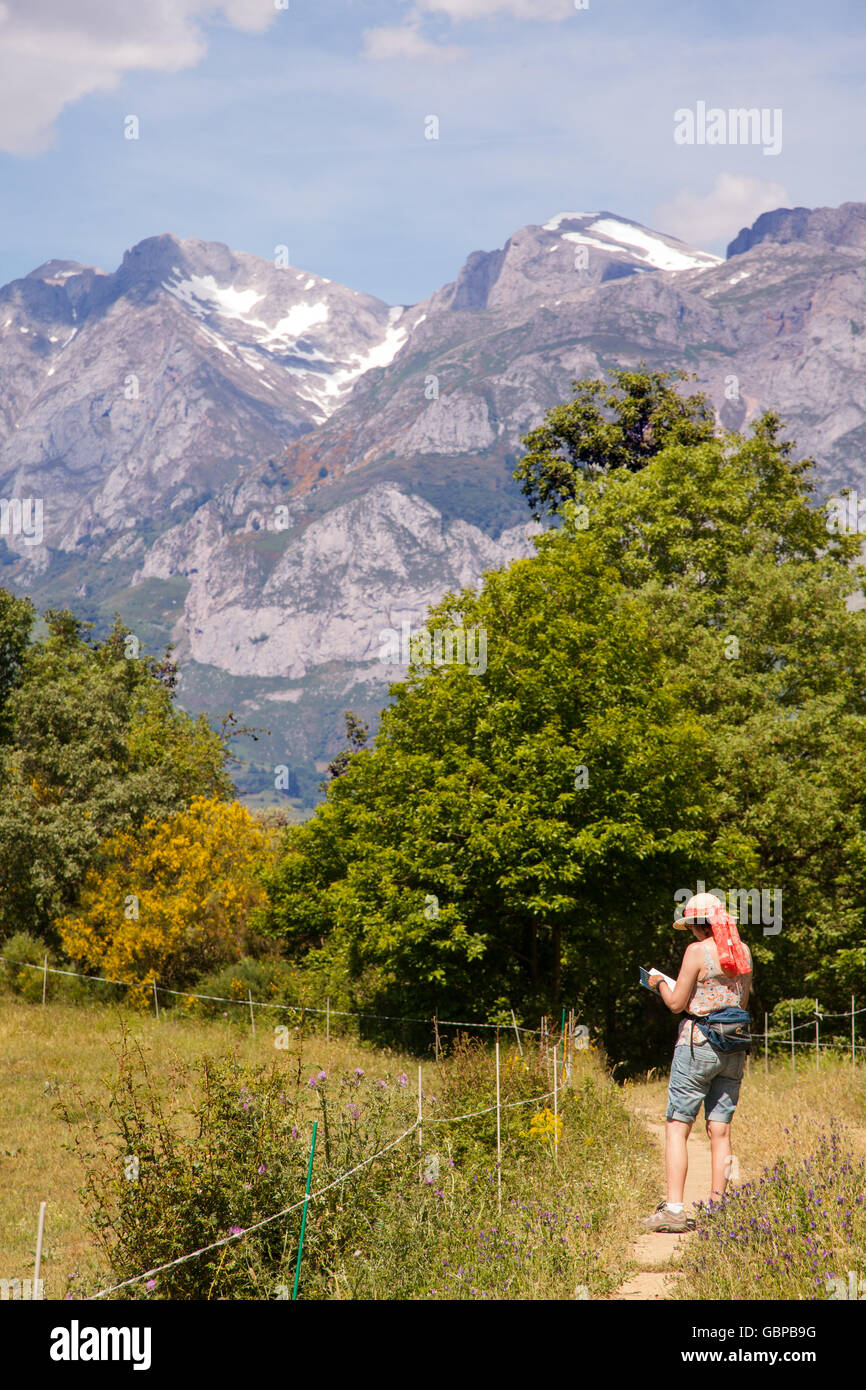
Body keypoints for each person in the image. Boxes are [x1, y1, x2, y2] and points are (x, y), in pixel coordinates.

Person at [642, 892, 753, 1234]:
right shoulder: (743, 951)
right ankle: (720, 1209)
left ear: (697, 924)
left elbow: (677, 1003)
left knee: (678, 1126)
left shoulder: (697, 952)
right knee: (720, 1130)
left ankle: (674, 1209)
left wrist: (659, 982)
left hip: (698, 1044)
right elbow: (741, 1000)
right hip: (734, 1046)